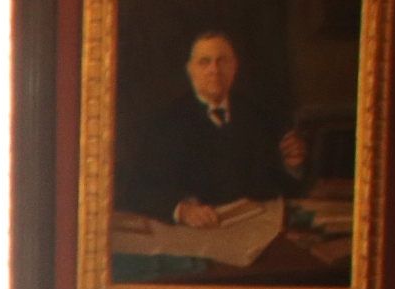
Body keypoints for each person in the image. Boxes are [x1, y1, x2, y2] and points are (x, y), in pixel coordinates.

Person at [123, 26, 308, 230]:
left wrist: (292, 166)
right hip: (192, 236)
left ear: (234, 66)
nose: (215, 70)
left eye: (223, 61)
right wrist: (182, 209)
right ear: (190, 69)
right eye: (205, 62)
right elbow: (138, 190)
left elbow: (281, 188)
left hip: (250, 229)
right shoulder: (164, 123)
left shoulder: (259, 119)